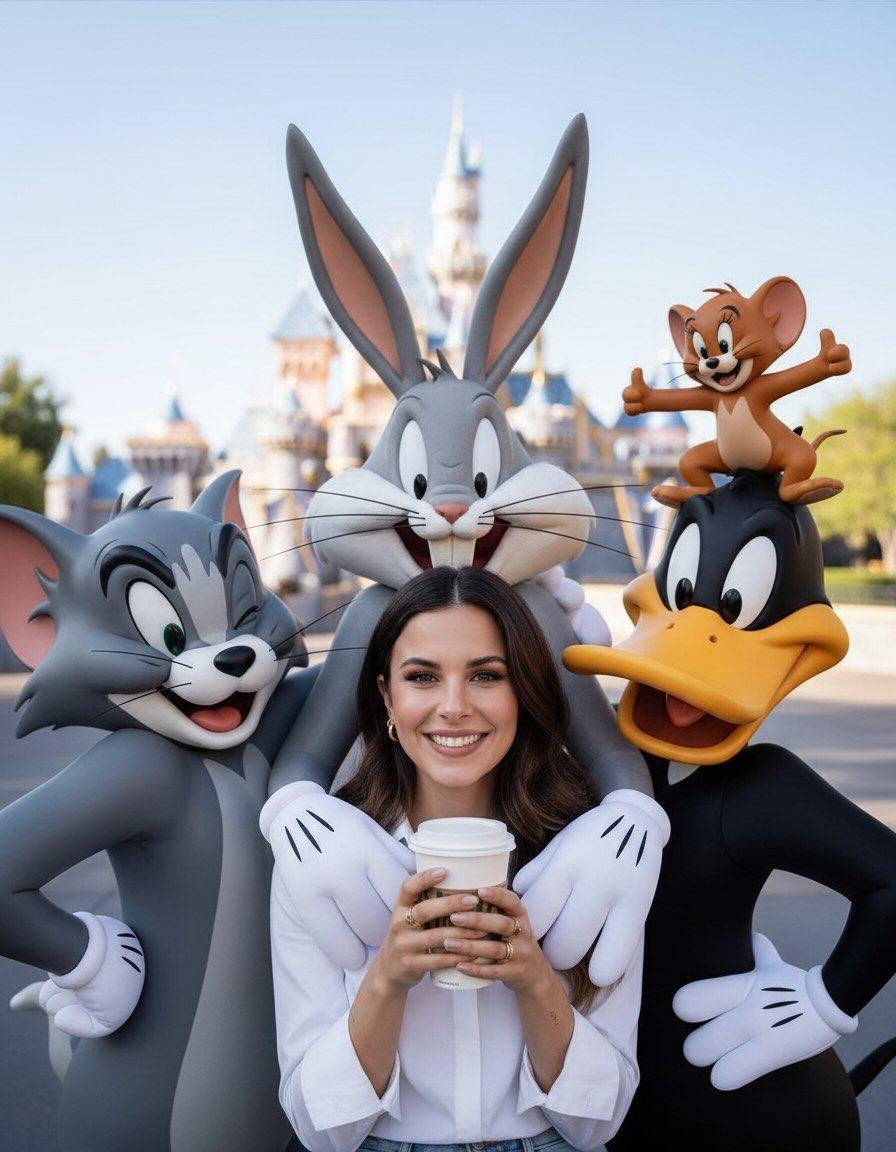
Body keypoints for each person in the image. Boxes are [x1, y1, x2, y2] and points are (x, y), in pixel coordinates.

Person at [270, 566, 643, 1152]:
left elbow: (599, 1122)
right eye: (422, 677)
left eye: (486, 676)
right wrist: (388, 978)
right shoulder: (319, 850)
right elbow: (321, 1131)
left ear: (523, 692)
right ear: (386, 697)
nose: (453, 706)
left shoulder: (593, 849)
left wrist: (533, 980)